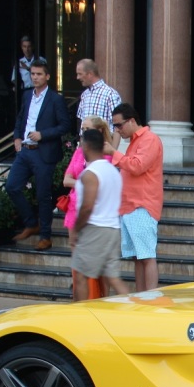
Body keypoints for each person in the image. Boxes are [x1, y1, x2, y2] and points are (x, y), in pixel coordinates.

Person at [8, 57, 70, 251]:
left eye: (39, 74)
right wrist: (17, 138)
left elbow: (65, 125)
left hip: (44, 153)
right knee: (12, 186)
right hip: (25, 151)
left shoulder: (55, 99)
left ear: (47, 76)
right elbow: (20, 119)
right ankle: (31, 222)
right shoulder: (27, 96)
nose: (35, 77)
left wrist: (43, 135)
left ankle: (45, 235)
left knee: (43, 195)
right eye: (33, 74)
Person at [108, 103, 164, 292]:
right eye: (115, 126)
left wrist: (113, 153)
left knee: (146, 256)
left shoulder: (150, 139)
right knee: (138, 257)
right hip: (131, 206)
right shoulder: (135, 141)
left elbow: (138, 166)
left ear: (132, 121)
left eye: (119, 125)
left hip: (142, 205)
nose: (117, 130)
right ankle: (142, 297)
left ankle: (149, 297)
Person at [71, 128, 129, 299]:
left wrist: (76, 229)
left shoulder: (91, 174)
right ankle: (134, 310)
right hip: (113, 228)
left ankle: (81, 317)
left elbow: (87, 206)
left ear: (87, 146)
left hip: (95, 228)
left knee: (80, 275)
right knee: (113, 277)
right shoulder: (113, 171)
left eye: (82, 145)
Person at [63, 115, 117, 300]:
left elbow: (103, 182)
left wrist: (85, 181)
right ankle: (80, 301)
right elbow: (66, 179)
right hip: (74, 209)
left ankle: (104, 299)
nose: (83, 133)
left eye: (87, 129)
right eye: (82, 129)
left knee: (100, 265)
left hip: (97, 213)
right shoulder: (79, 152)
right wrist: (86, 181)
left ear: (99, 131)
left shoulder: (108, 154)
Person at [74, 58, 122, 144]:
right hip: (86, 147)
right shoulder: (85, 95)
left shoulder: (110, 94)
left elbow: (117, 125)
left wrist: (113, 152)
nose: (78, 77)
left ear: (90, 74)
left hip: (103, 147)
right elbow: (82, 123)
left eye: (80, 74)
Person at [11, 36, 34, 107]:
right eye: (24, 46)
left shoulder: (40, 60)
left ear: (32, 47)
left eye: (29, 46)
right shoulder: (19, 62)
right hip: (25, 91)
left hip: (37, 90)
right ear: (22, 48)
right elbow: (14, 79)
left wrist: (27, 68)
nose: (27, 49)